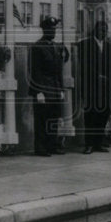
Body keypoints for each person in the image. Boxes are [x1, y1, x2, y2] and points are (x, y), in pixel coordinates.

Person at [28, 16, 68, 156]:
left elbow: (59, 70)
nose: (53, 32)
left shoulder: (56, 47)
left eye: (54, 29)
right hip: (43, 89)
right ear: (44, 30)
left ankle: (52, 145)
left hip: (55, 88)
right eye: (50, 29)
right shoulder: (37, 47)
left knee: (53, 118)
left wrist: (61, 89)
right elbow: (35, 71)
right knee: (41, 119)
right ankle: (41, 147)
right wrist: (38, 92)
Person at [76, 19, 111, 154]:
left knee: (103, 114)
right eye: (101, 30)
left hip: (105, 87)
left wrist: (109, 79)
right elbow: (84, 65)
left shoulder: (108, 46)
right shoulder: (85, 44)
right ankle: (89, 144)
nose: (103, 33)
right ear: (95, 30)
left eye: (105, 30)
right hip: (91, 87)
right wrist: (97, 76)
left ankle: (99, 143)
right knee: (91, 115)